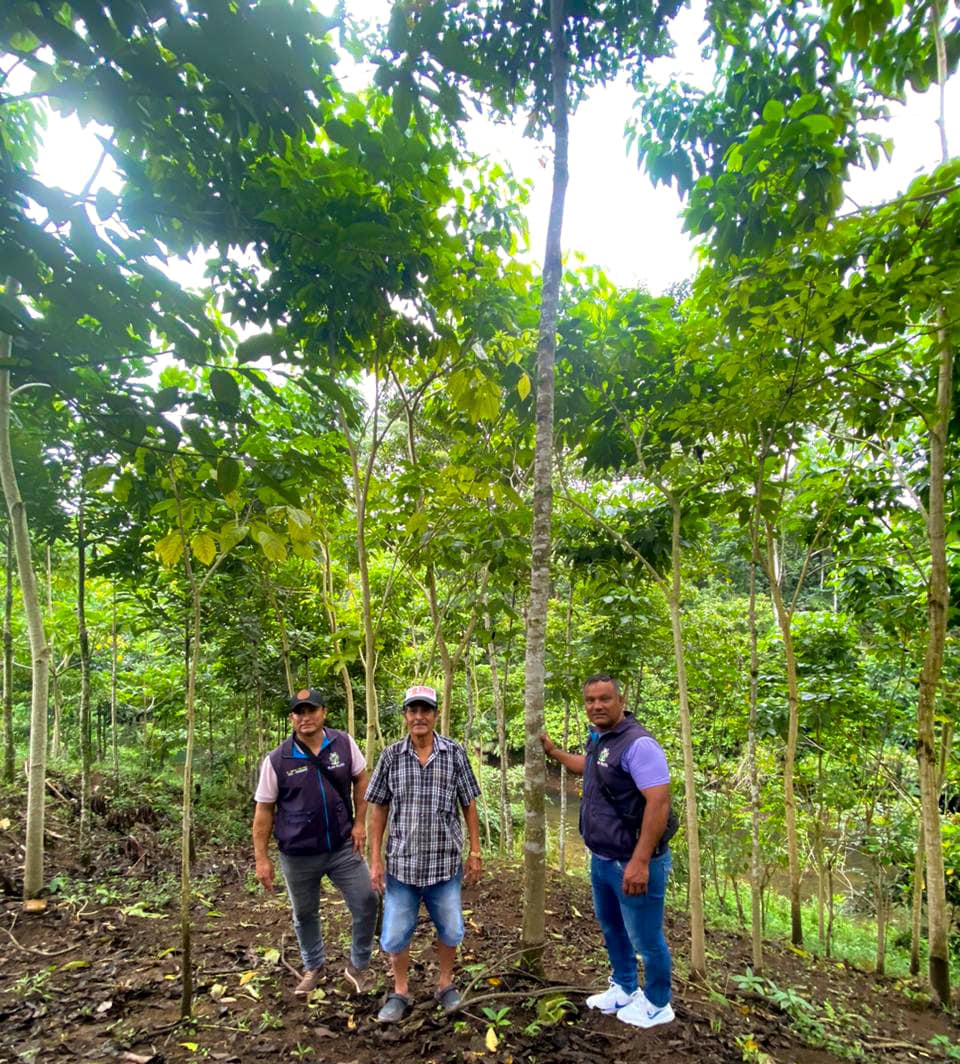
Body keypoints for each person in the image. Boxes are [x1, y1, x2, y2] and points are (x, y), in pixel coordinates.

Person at [540, 673, 677, 1029]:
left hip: (633, 861)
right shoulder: (601, 739)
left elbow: (659, 802)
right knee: (612, 927)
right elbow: (590, 769)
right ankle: (625, 987)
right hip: (602, 858)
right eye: (590, 700)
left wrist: (640, 861)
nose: (596, 706)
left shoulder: (638, 744)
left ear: (621, 700)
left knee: (645, 938)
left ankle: (658, 1003)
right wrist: (553, 752)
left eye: (604, 699)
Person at [366, 684, 483, 1024]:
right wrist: (375, 860)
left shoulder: (454, 753)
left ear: (435, 714)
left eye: (426, 710)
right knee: (395, 934)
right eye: (413, 710)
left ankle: (445, 985)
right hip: (402, 865)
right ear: (405, 715)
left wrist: (475, 851)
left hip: (444, 864)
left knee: (451, 929)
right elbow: (378, 809)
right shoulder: (391, 756)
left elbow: (469, 803)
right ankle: (400, 991)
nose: (419, 716)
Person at [252, 688, 378, 997]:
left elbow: (361, 779)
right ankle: (314, 967)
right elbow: (264, 810)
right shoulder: (277, 759)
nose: (305, 717)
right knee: (305, 913)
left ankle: (358, 966)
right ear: (292, 718)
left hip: (342, 846)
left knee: (367, 900)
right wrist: (261, 859)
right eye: (299, 712)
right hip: (298, 854)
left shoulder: (343, 744)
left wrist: (359, 823)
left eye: (311, 710)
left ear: (323, 713)